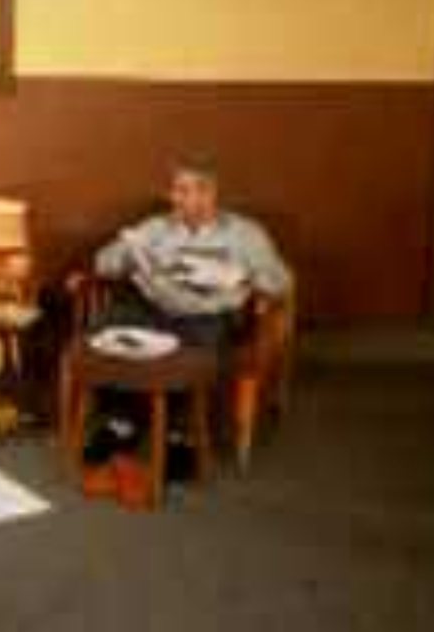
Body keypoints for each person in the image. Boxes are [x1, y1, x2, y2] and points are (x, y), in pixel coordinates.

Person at [82, 156, 293, 467]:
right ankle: (121, 423)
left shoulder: (245, 233)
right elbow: (102, 263)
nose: (182, 199)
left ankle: (181, 435)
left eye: (193, 190)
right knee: (106, 332)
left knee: (197, 350)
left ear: (211, 194)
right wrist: (127, 254)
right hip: (153, 308)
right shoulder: (155, 227)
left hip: (207, 314)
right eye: (177, 190)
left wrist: (244, 276)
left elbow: (280, 281)